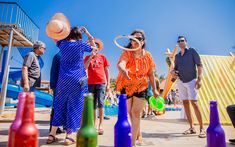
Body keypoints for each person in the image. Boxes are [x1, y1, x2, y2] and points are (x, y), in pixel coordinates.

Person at [47, 26, 96, 145]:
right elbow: (94, 48)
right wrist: (88, 34)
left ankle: (51, 135)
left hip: (63, 80)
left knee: (59, 105)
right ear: (79, 36)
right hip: (77, 80)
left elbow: (54, 37)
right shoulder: (80, 45)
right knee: (74, 106)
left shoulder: (62, 44)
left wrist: (61, 30)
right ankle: (68, 136)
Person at [116, 30, 159, 146]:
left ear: (143, 41)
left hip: (142, 87)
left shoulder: (148, 56)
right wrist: (123, 70)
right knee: (129, 113)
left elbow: (151, 74)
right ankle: (138, 134)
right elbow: (121, 63)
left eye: (138, 39)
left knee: (135, 113)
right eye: (132, 39)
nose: (134, 41)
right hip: (126, 86)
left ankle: (132, 143)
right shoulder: (127, 53)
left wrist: (155, 89)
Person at [171, 36, 206, 138]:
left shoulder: (192, 51)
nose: (181, 42)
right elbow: (175, 69)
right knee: (185, 104)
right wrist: (173, 71)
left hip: (192, 81)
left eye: (182, 40)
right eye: (179, 41)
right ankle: (191, 127)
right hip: (181, 81)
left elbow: (199, 65)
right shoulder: (177, 56)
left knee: (194, 103)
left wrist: (199, 79)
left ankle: (202, 129)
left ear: (186, 42)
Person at [84, 44, 110, 135]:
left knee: (101, 103)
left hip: (101, 82)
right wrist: (91, 57)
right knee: (93, 104)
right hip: (91, 83)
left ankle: (101, 125)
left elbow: (107, 71)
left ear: (99, 49)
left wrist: (108, 84)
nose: (95, 48)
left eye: (96, 47)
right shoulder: (87, 57)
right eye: (93, 47)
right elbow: (85, 67)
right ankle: (94, 124)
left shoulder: (103, 57)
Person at [49, 51, 64, 134]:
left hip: (56, 84)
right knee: (58, 107)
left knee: (56, 106)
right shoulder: (61, 55)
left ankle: (54, 128)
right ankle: (53, 128)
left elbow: (53, 72)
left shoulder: (57, 55)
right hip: (60, 85)